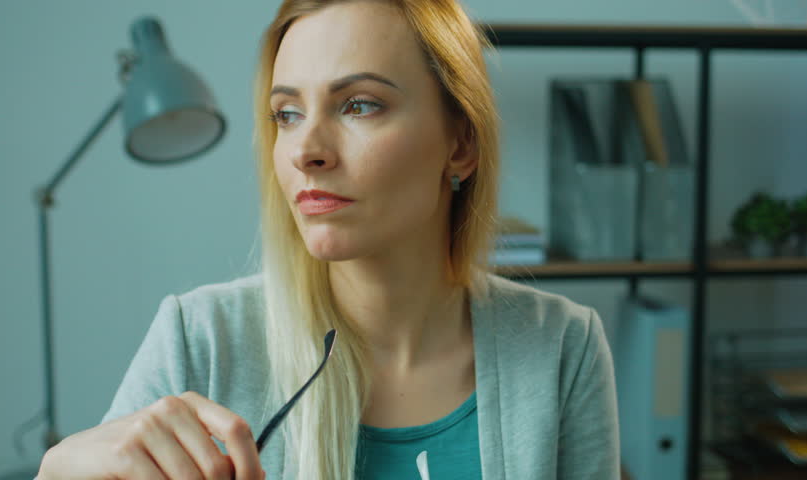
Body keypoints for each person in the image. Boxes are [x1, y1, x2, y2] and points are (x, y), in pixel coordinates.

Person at [37, 0, 620, 478]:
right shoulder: (198, 341)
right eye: (286, 114)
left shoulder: (563, 348)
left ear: (460, 145)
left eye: (358, 105)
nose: (305, 150)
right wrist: (58, 470)